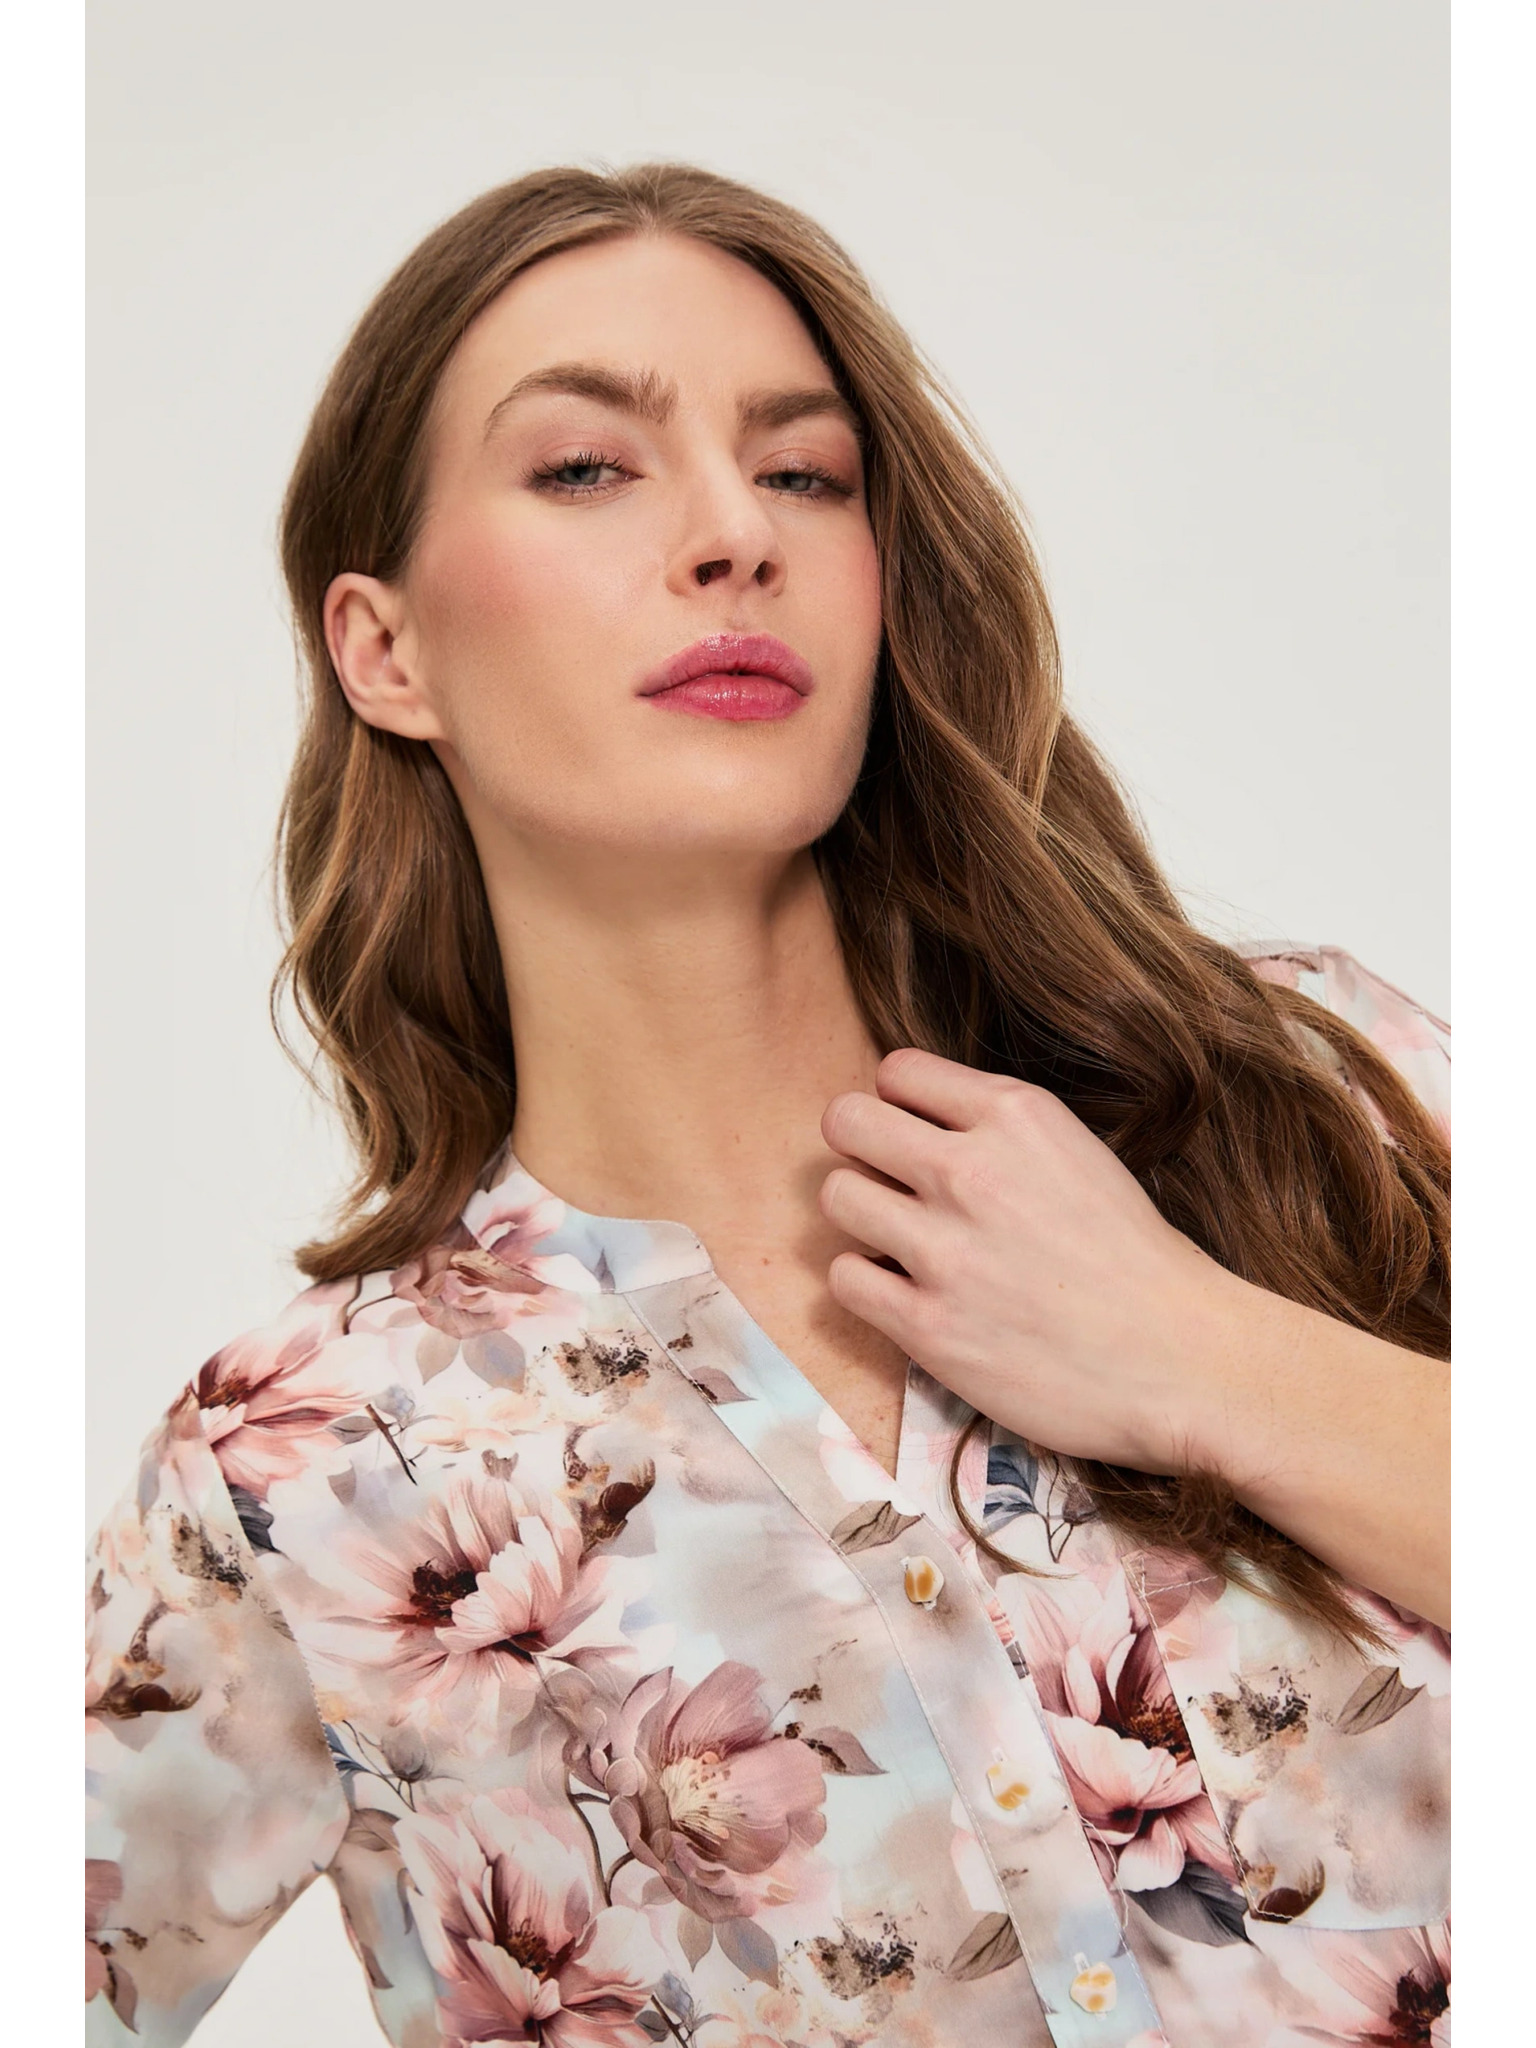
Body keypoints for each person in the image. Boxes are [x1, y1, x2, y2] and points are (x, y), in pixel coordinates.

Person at [84, 164, 1450, 2048]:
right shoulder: (303, 1472)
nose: (735, 535)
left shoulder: (1318, 1096)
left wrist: (1199, 1354)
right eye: (587, 468)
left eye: (804, 474)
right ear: (386, 652)